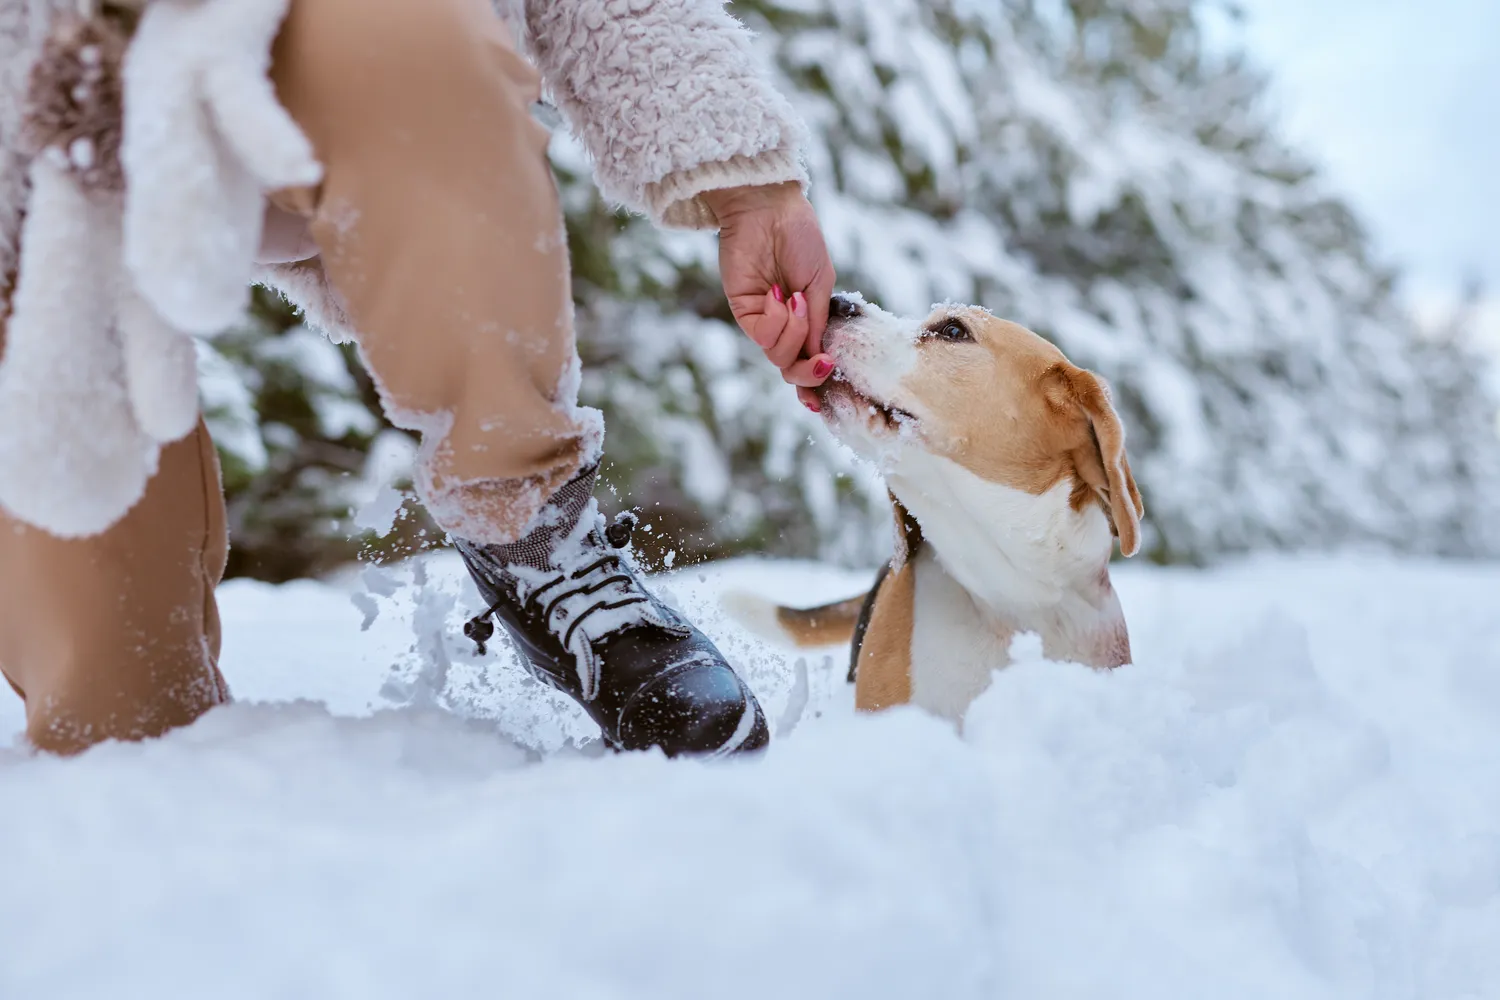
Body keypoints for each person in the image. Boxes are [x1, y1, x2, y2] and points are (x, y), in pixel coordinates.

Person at [0, 0, 837, 756]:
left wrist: (751, 189)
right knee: (117, 724)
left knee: (408, 29)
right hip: (45, 162)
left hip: (325, 63)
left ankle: (527, 520)